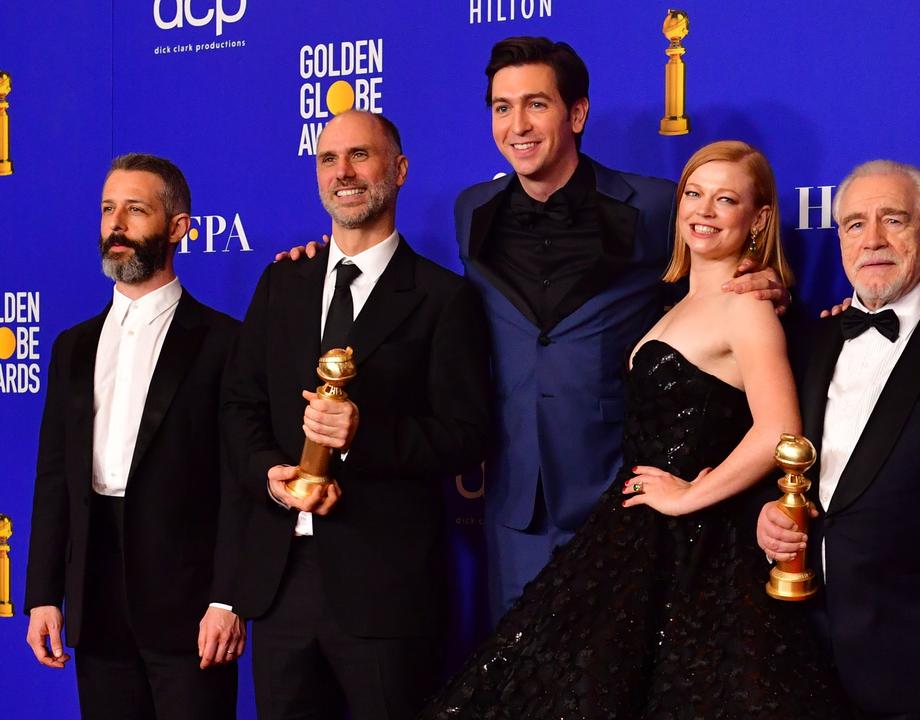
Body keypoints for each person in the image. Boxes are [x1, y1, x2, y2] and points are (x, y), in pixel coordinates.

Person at [423, 140, 849, 719]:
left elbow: (780, 431)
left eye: (726, 200)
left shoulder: (748, 307)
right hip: (629, 534)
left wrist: (689, 495)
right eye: (693, 195)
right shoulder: (671, 303)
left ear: (760, 219)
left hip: (698, 553)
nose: (703, 211)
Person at [454, 38, 789, 619]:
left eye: (536, 104)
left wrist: (769, 286)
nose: (517, 124)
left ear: (577, 114)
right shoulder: (472, 212)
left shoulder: (657, 206)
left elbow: (718, 282)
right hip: (515, 501)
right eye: (502, 107)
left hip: (620, 489)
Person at [222, 110, 492, 720]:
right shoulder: (281, 283)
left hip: (386, 592)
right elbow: (239, 405)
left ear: (398, 170)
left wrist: (364, 436)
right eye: (327, 159)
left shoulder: (442, 298)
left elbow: (466, 434)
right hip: (280, 584)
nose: (343, 172)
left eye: (360, 156)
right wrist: (268, 469)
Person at [756, 161, 920, 720]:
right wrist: (767, 517)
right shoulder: (808, 341)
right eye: (854, 224)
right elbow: (784, 469)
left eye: (892, 220)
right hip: (802, 647)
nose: (872, 239)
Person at [25, 153, 244, 719]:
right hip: (95, 601)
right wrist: (44, 595)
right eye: (107, 209)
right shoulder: (71, 347)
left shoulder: (225, 343)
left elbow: (239, 485)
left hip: (190, 608)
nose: (116, 225)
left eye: (135, 210)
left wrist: (227, 599)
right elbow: (54, 479)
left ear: (177, 229)